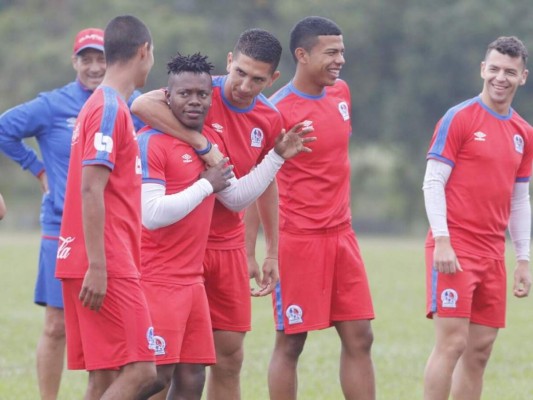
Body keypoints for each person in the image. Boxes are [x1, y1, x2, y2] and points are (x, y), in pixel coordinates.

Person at [132, 28, 303, 399]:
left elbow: (263, 182)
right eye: (240, 72)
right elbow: (141, 105)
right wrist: (202, 144)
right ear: (229, 61)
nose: (244, 85)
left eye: (257, 79)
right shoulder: (198, 90)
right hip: (173, 247)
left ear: (272, 79)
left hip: (225, 245)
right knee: (160, 365)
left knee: (226, 358)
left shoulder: (269, 118)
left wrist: (269, 248)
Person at [0, 26, 145, 400]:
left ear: (112, 58)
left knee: (111, 346)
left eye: (101, 58)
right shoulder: (54, 104)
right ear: (74, 62)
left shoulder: (131, 101)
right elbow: (3, 129)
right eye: (87, 59)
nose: (95, 66)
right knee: (56, 325)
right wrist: (38, 169)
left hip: (113, 232)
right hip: (62, 228)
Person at [245, 16, 376, 400]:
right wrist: (250, 250)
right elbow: (257, 183)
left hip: (342, 237)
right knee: (291, 342)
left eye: (342, 51)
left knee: (360, 336)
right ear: (302, 55)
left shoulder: (341, 94)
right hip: (297, 241)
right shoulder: (275, 110)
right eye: (331, 52)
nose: (340, 60)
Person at [55, 15, 161, 399]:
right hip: (104, 261)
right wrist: (98, 266)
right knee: (144, 372)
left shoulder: (109, 105)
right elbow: (90, 189)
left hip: (97, 258)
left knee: (104, 379)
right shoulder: (109, 109)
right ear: (143, 51)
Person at [422, 36, 532, 400]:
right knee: (452, 344)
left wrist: (523, 259)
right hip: (454, 247)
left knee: (480, 351)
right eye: (495, 69)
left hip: (491, 253)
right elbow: (433, 181)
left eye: (510, 72)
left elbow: (519, 199)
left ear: (522, 77)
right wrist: (442, 240)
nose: (501, 77)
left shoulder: (524, 133)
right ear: (483, 69)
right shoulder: (459, 117)